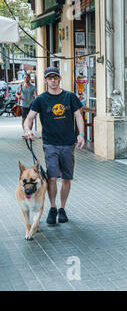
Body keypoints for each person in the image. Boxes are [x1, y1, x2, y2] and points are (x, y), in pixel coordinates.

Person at [23, 67, 85, 225]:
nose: (52, 80)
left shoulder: (69, 96)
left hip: (68, 143)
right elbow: (29, 118)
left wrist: (81, 134)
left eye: (55, 77)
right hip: (50, 143)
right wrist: (27, 130)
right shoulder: (41, 99)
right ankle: (52, 207)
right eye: (49, 78)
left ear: (59, 79)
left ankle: (62, 208)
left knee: (66, 178)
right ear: (45, 80)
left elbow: (78, 115)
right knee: (52, 178)